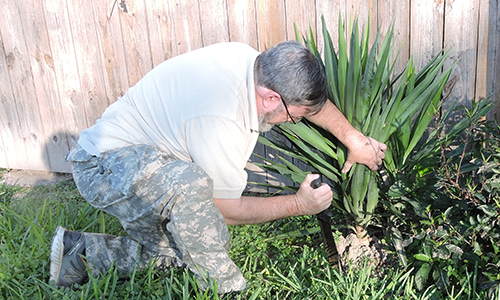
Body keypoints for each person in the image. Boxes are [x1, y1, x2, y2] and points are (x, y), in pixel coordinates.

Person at [49, 41, 386, 293]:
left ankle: (76, 253)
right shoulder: (221, 120)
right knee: (196, 201)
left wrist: (353, 138)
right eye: (293, 117)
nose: (291, 122)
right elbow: (225, 209)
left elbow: (307, 100)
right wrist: (299, 205)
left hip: (144, 156)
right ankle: (227, 289)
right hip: (104, 167)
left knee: (182, 250)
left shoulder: (253, 62)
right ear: (271, 98)